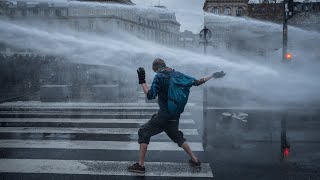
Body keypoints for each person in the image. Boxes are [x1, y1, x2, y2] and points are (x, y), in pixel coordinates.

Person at [128, 58, 226, 173]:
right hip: (174, 115)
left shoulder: (159, 76)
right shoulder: (178, 74)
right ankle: (195, 160)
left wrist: (142, 80)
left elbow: (150, 95)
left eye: (154, 71)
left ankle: (140, 165)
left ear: (155, 68)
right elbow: (197, 82)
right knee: (177, 136)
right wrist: (212, 75)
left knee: (143, 132)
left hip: (163, 116)